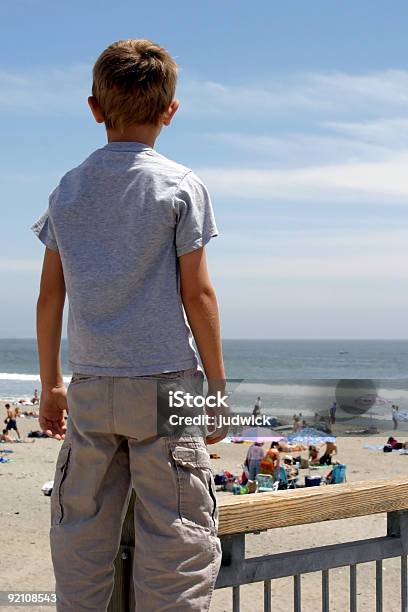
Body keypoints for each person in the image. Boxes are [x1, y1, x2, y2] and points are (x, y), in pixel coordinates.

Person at [31, 39, 225, 612]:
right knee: (178, 535)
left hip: (92, 382)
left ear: (95, 108)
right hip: (166, 384)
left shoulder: (68, 188)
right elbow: (199, 294)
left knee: (82, 531)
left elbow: (50, 296)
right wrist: (216, 387)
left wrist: (52, 384)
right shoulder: (180, 184)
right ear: (171, 110)